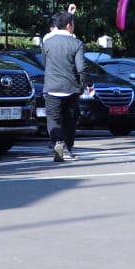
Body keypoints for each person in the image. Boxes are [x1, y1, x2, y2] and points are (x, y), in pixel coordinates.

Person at [41, 11, 92, 162]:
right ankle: (68, 148)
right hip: (71, 87)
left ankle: (57, 141)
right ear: (69, 25)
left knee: (53, 118)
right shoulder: (76, 43)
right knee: (70, 119)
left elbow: (45, 63)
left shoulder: (47, 42)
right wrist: (88, 84)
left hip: (51, 86)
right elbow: (81, 68)